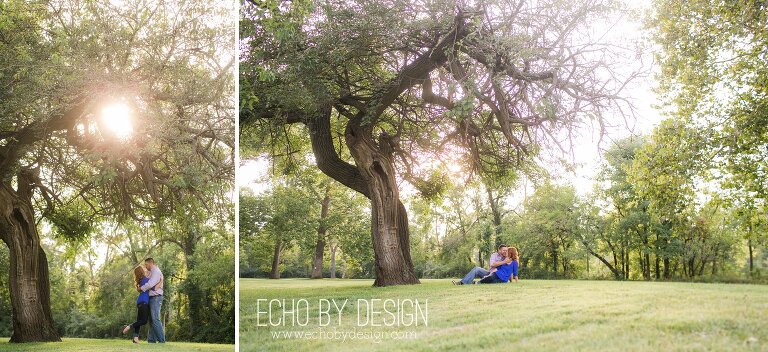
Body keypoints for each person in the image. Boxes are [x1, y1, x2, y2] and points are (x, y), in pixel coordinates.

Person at [139, 257, 165, 343]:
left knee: (155, 319)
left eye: (146, 264)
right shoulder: (151, 272)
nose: (145, 266)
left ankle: (162, 340)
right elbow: (147, 280)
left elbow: (150, 284)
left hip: (156, 297)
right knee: (152, 320)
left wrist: (141, 288)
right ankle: (151, 340)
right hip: (152, 298)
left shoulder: (156, 272)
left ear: (150, 263)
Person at [122, 265, 150, 343]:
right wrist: (161, 280)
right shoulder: (146, 280)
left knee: (139, 320)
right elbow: (154, 287)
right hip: (144, 301)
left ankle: (135, 338)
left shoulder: (140, 281)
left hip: (139, 302)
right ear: (142, 271)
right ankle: (129, 326)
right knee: (144, 321)